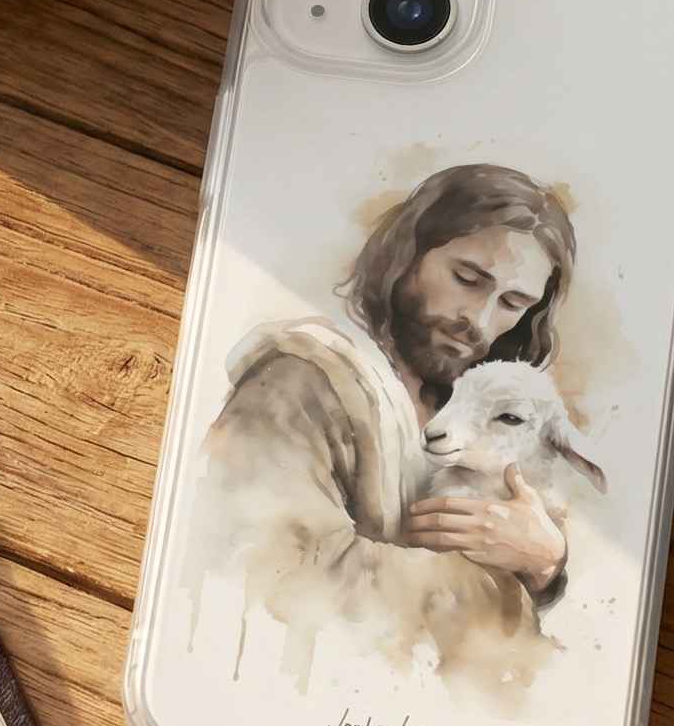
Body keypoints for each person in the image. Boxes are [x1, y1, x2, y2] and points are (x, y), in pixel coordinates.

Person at [197, 165, 583, 687]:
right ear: (408, 253)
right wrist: (508, 586)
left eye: (513, 303)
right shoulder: (299, 380)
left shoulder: (468, 410)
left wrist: (545, 563)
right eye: (467, 279)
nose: (480, 318)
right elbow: (284, 570)